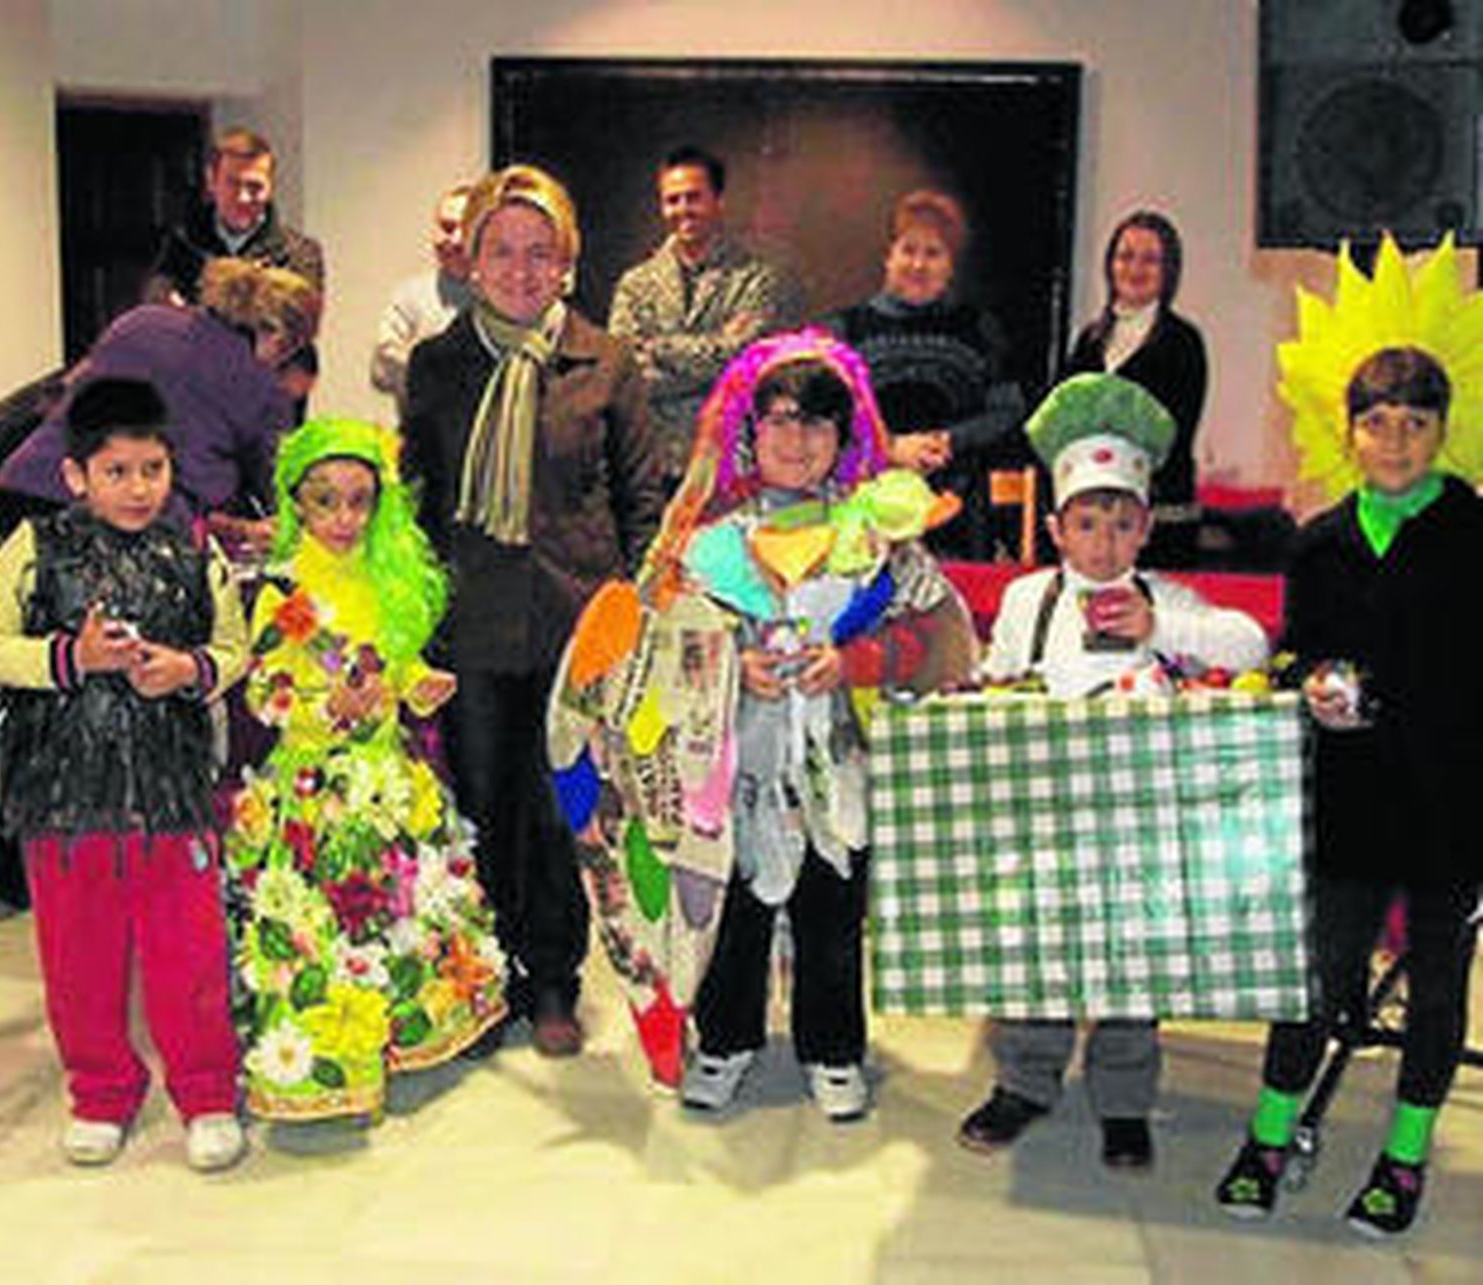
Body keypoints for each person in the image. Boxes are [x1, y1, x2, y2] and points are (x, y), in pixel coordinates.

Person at [627, 330, 976, 1117]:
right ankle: (724, 1041)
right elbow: (659, 640)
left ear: (844, 438)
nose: (796, 438)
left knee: (831, 909)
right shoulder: (706, 539)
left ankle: (834, 1048)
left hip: (836, 761)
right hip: (734, 768)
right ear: (752, 430)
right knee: (735, 913)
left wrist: (851, 663)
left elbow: (928, 636)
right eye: (779, 420)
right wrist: (726, 669)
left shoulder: (876, 535)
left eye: (817, 423)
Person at [1214, 238, 1483, 1238]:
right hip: (1349, 801)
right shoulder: (1320, 540)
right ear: (1349, 429)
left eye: (1416, 424)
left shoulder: (1472, 531)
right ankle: (1271, 1130)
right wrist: (1309, 686)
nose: (1397, 441)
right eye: (1378, 422)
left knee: (1435, 995)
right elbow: (1300, 655)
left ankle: (1404, 1156)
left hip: (1453, 805)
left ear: (1442, 433)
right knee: (1313, 974)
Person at [957, 372, 1267, 1168]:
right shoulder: (1030, 598)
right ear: (1058, 528)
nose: (1102, 540)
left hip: (1137, 822)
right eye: (1087, 522)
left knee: (1133, 959)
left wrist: (1162, 626)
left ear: (1141, 533)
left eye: (1119, 524)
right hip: (1044, 811)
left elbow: (1251, 646)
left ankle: (1124, 1099)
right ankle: (1025, 1081)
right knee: (1035, 948)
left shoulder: (1166, 596)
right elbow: (998, 672)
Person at [400, 164, 666, 1057]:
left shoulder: (608, 360)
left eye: (539, 252)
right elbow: (419, 501)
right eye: (501, 250)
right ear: (471, 260)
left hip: (574, 626)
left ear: (567, 263)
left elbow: (642, 499)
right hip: (470, 626)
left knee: (562, 810)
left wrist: (632, 619)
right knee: (480, 803)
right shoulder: (437, 365)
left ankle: (553, 978)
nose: (520, 268)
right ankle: (488, 974)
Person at [0, 376, 250, 1171]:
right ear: (75, 476)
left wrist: (187, 669)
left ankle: (207, 1092)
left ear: (171, 469)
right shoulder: (34, 548)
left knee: (187, 954)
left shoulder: (197, 554)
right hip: (64, 796)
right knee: (79, 959)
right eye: (116, 471)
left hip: (174, 795)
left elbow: (235, 650)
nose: (137, 487)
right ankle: (99, 1090)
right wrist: (71, 659)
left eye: (152, 468)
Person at [226, 418, 507, 1121]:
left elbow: (387, 661)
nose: (345, 517)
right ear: (298, 503)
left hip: (388, 774)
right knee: (321, 927)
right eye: (327, 500)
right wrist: (329, 705)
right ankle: (325, 1064)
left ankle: (403, 1032)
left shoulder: (387, 580)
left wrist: (416, 681)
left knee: (400, 910)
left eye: (359, 500)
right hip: (315, 786)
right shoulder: (285, 590)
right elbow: (266, 692)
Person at [0, 257, 320, 558]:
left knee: (4, 619)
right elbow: (277, 481)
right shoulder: (260, 386)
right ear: (281, 338)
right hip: (117, 526)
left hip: (22, 492)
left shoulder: (140, 320)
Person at [828, 190, 1026, 560]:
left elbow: (1008, 410)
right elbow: (828, 413)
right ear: (888, 257)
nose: (918, 264)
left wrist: (947, 440)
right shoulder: (845, 330)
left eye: (933, 253)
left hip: (958, 503)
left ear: (951, 265)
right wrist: (888, 447)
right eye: (908, 250)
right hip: (864, 502)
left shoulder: (980, 328)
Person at [609, 144, 803, 489]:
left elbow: (747, 365)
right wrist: (717, 355)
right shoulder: (635, 284)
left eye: (693, 197)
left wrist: (657, 347)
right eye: (672, 200)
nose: (682, 209)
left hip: (735, 462)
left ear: (719, 201)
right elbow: (626, 375)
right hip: (652, 465)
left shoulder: (758, 275)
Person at [1063, 211, 1207, 567]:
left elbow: (1176, 430)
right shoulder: (1089, 340)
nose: (1135, 269)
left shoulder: (1184, 342)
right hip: (1091, 513)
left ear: (1169, 270)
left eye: (1150, 259)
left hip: (1160, 518)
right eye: (1125, 256)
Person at [144, 126, 325, 306]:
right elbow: (156, 305)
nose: (243, 198)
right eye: (232, 183)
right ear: (211, 182)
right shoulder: (180, 246)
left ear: (271, 187)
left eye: (255, 187)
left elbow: (299, 323)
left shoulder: (300, 254)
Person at [370, 182, 472, 415]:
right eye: (447, 227)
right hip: (421, 440)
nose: (455, 240)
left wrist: (418, 357)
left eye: (466, 229)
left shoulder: (503, 297)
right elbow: (382, 370)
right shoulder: (409, 296)